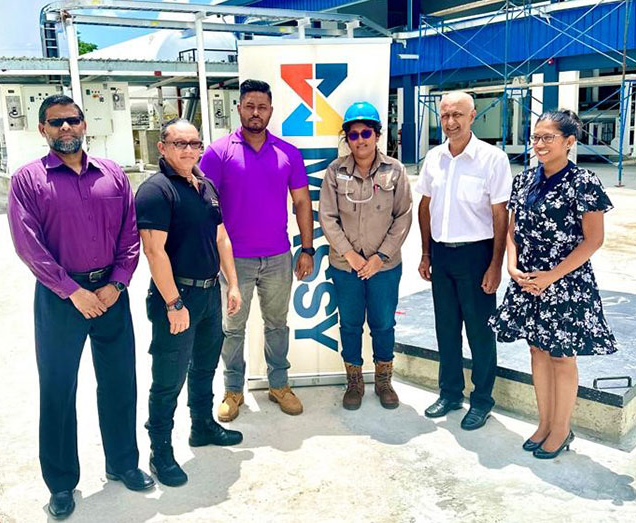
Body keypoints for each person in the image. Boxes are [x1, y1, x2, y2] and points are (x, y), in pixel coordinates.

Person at [7, 94, 153, 520]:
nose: (65, 129)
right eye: (56, 123)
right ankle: (61, 484)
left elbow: (130, 234)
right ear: (43, 130)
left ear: (85, 124)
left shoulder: (112, 175)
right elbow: (27, 244)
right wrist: (72, 291)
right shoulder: (28, 180)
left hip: (110, 295)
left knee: (119, 382)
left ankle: (124, 462)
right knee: (57, 390)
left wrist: (117, 284)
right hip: (59, 300)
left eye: (72, 121)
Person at [489, 110, 616, 459]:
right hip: (528, 280)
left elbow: (592, 241)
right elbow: (513, 232)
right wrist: (512, 266)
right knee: (537, 350)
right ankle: (544, 423)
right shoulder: (524, 181)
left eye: (548, 138)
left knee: (562, 356)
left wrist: (551, 276)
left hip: (566, 282)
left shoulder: (584, 182)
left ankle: (561, 429)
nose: (539, 144)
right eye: (536, 138)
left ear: (569, 142)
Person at [135, 118, 244, 487]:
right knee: (168, 379)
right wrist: (173, 303)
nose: (187, 150)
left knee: (203, 368)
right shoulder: (156, 191)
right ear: (162, 148)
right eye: (178, 143)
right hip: (177, 298)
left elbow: (221, 237)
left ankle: (203, 426)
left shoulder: (206, 186)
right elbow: (153, 251)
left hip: (210, 294)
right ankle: (161, 452)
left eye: (194, 143)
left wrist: (232, 285)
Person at [200, 79, 315, 422]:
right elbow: (206, 207)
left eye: (262, 107)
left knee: (277, 324)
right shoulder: (218, 153)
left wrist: (306, 248)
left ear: (270, 111)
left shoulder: (287, 153)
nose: (255, 113)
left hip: (279, 256)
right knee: (232, 328)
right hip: (235, 261)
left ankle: (279, 384)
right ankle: (234, 390)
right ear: (238, 108)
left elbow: (302, 203)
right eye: (249, 106)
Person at [416, 91, 512, 431]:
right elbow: (425, 206)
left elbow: (501, 215)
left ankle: (482, 400)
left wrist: (495, 265)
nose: (451, 122)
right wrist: (426, 252)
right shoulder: (435, 157)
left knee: (480, 333)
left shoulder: (492, 159)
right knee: (446, 329)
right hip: (441, 255)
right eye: (444, 115)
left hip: (477, 255)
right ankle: (450, 392)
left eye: (458, 114)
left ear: (472, 117)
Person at [318, 101, 413, 410]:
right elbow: (327, 217)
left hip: (383, 268)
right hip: (346, 267)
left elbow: (404, 216)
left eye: (366, 133)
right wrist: (351, 255)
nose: (360, 140)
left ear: (377, 135)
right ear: (348, 138)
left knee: (384, 323)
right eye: (354, 134)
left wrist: (379, 258)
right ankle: (354, 381)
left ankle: (383, 380)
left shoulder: (394, 170)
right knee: (350, 324)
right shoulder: (335, 171)